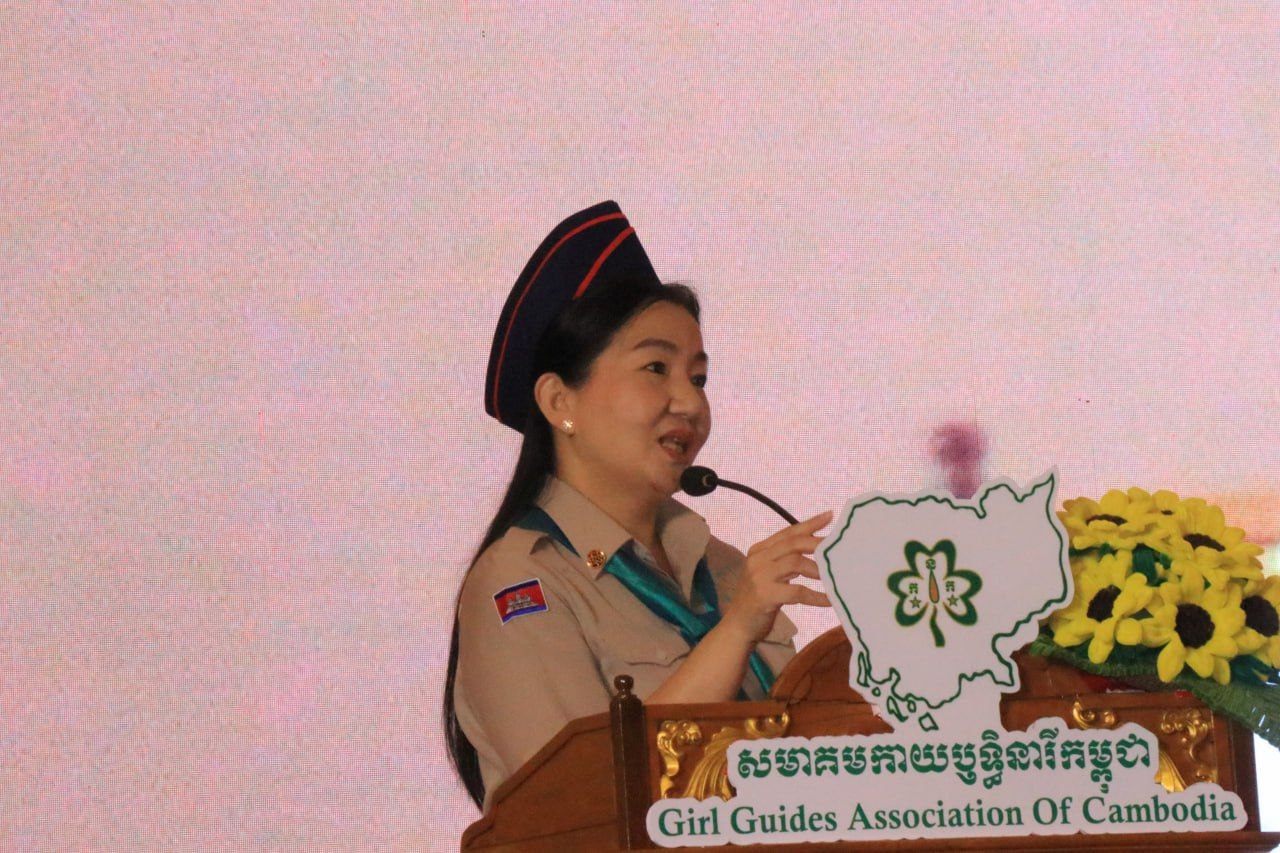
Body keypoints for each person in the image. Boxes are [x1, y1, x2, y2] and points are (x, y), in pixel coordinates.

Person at [443, 200, 833, 810]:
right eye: (657, 368)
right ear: (559, 402)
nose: (690, 403)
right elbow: (582, 798)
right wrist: (735, 631)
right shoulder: (521, 582)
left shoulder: (726, 570)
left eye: (699, 378)